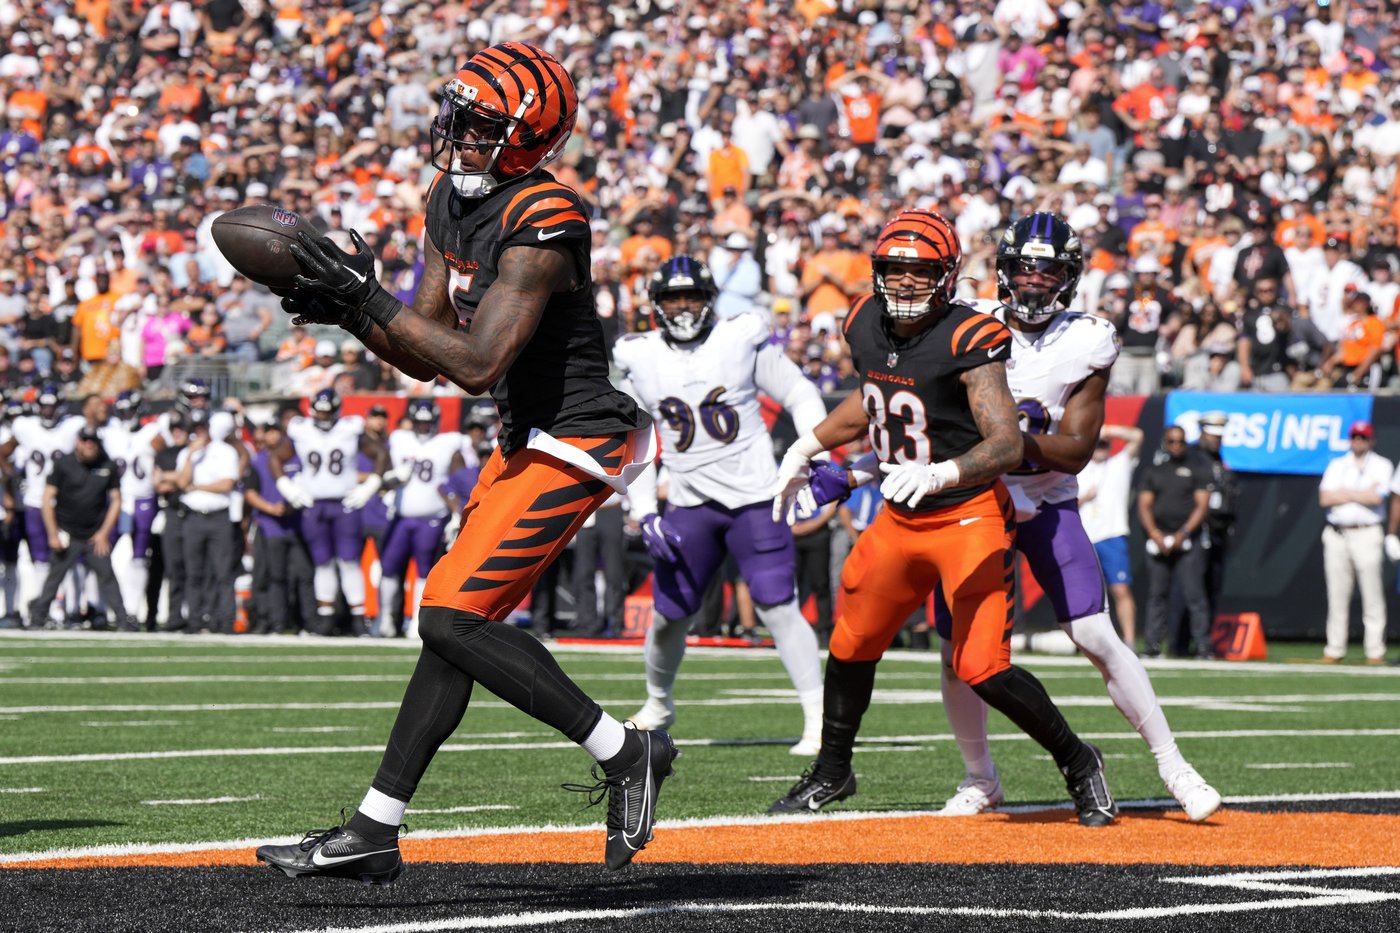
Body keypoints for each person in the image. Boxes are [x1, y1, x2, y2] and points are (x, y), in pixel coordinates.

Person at [256, 43, 676, 882]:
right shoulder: (451, 197)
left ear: (530, 138)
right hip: (524, 438)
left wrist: (359, 295)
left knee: (447, 616)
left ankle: (627, 750)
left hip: (580, 435)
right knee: (450, 628)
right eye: (460, 115)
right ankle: (376, 829)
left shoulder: (547, 216)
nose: (460, 135)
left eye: (483, 125)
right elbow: (423, 350)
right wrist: (346, 309)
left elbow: (478, 362)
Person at [768, 209, 1116, 826]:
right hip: (901, 519)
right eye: (893, 269)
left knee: (980, 667)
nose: (903, 282)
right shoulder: (863, 321)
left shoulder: (970, 338)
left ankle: (1078, 759)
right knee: (850, 644)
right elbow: (876, 398)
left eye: (920, 270)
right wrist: (808, 446)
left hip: (967, 515)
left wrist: (942, 472)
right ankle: (833, 769)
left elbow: (1007, 443)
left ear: (948, 274)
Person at [932, 213, 1219, 822]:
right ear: (1002, 271)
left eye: (1048, 270)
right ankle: (980, 777)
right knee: (959, 647)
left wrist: (1007, 445)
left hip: (1047, 497)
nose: (1033, 282)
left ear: (1069, 277)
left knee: (1093, 633)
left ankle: (1173, 764)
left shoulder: (1088, 337)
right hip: (976, 502)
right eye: (1023, 268)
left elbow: (1078, 448)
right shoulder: (965, 323)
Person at [613, 255, 827, 755]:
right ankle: (658, 703)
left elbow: (799, 392)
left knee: (778, 605)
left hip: (755, 495)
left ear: (710, 300)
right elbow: (635, 438)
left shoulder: (739, 337)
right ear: (656, 305)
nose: (683, 307)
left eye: (692, 296)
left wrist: (811, 456)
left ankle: (818, 717)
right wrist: (643, 509)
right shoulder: (637, 355)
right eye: (673, 298)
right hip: (689, 500)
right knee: (669, 614)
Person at [271, 388, 384, 636]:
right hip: (315, 504)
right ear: (312, 410)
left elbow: (380, 453)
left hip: (345, 503)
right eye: (320, 412)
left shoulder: (350, 429)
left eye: (328, 412)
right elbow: (275, 458)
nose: (323, 417)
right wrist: (287, 488)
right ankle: (326, 617)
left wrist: (370, 487)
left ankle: (358, 618)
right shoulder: (300, 430)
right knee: (322, 562)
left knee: (349, 561)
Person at [28, 426, 132, 631]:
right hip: (67, 532)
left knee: (107, 576)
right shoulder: (64, 464)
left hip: (94, 535)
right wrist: (53, 533)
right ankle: (37, 620)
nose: (89, 444)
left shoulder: (107, 465)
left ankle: (123, 621)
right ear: (78, 442)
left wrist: (103, 533)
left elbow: (116, 500)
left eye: (92, 441)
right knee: (54, 578)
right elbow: (47, 498)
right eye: (85, 440)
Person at [379, 398, 465, 639]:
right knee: (388, 567)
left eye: (428, 423)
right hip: (401, 517)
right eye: (420, 423)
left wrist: (457, 512)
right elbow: (382, 469)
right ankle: (385, 617)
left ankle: (415, 620)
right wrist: (390, 479)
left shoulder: (447, 443)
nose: (424, 428)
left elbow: (457, 478)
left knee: (424, 571)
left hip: (432, 518)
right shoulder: (399, 439)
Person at [1138, 426, 1214, 659]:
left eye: (1180, 442)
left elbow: (1202, 505)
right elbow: (1144, 505)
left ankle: (1202, 646)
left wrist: (1183, 533)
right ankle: (1152, 645)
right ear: (1165, 442)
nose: (1176, 446)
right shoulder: (1155, 471)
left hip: (1187, 540)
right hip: (1160, 539)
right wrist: (1155, 534)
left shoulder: (1198, 469)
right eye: (1171, 441)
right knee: (1157, 595)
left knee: (1194, 595)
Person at [1319, 421, 1390, 664]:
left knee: (1372, 593)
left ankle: (1375, 650)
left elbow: (1376, 497)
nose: (1358, 441)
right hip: (1337, 533)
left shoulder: (1382, 465)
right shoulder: (1337, 464)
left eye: (1363, 437)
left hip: (1366, 532)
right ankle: (1334, 648)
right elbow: (1325, 498)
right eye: (1355, 437)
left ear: (1371, 440)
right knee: (1337, 594)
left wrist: (1344, 493)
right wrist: (1358, 493)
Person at [1169, 411, 1237, 656]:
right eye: (1212, 435)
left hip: (1218, 531)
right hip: (1197, 532)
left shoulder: (1218, 459)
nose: (1217, 440)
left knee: (1210, 590)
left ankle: (1202, 641)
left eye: (1219, 436)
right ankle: (1180, 642)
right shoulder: (1193, 458)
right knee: (1189, 590)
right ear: (1202, 433)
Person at [174, 407, 240, 633]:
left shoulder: (225, 451)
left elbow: (226, 484)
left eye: (202, 428)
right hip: (193, 517)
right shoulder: (187, 454)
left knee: (223, 572)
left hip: (219, 517)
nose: (199, 433)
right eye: (195, 429)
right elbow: (182, 483)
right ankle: (194, 620)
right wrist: (192, 455)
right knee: (194, 573)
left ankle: (225, 620)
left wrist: (198, 487)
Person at [1079, 424, 1145, 648]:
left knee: (1120, 588)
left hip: (1112, 535)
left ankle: (1129, 640)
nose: (1101, 447)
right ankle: (1087, 641)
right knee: (1086, 593)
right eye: (1097, 443)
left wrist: (1107, 430)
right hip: (1084, 536)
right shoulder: (1079, 467)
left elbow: (1137, 436)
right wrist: (1083, 499)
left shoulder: (1119, 464)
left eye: (1104, 443)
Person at [105, 391, 162, 628]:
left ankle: (133, 610)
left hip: (144, 498)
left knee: (139, 558)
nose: (126, 415)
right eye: (123, 410)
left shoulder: (153, 431)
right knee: (100, 553)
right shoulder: (109, 432)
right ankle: (104, 610)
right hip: (115, 499)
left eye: (130, 410)